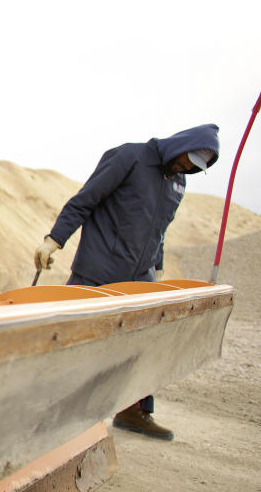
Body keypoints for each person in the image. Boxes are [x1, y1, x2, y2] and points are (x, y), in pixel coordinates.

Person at [33, 123, 220, 440]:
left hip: (140, 279)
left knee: (143, 342)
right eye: (188, 159)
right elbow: (84, 200)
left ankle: (133, 409)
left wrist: (157, 270)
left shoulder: (177, 182)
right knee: (71, 340)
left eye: (196, 167)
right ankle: (40, 410)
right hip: (97, 270)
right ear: (181, 145)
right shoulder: (130, 157)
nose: (188, 168)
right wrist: (54, 240)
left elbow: (159, 230)